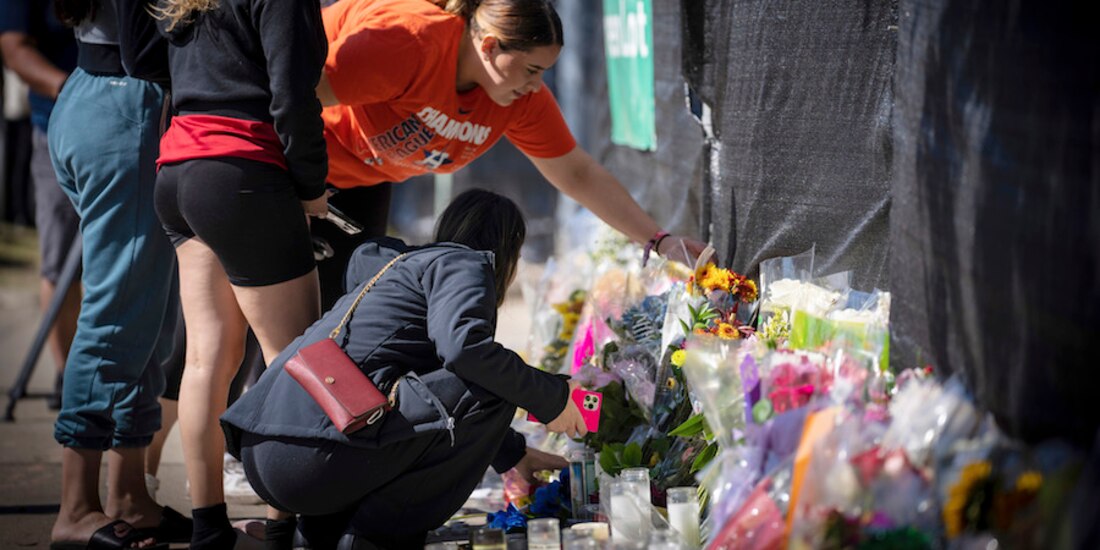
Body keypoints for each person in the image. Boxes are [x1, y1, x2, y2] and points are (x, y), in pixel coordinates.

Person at [222, 189, 587, 549]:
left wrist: (513, 454)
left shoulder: (402, 270)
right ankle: (374, 539)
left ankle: (322, 536)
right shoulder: (464, 263)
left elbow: (440, 400)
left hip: (266, 451)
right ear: (509, 249)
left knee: (481, 380)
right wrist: (555, 398)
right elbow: (467, 354)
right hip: (314, 459)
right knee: (493, 384)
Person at [310, 0, 707, 310]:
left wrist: (659, 241)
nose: (537, 86)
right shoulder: (408, 42)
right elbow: (292, 98)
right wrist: (293, 187)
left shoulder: (517, 98)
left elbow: (576, 173)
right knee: (276, 328)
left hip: (361, 181)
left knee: (337, 321)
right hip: (291, 160)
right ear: (488, 46)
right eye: (532, 69)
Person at [152, 0, 329, 546]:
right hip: (241, 170)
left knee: (207, 358)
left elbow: (146, 59)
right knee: (295, 358)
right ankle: (286, 525)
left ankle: (209, 528)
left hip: (178, 170)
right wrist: (312, 187)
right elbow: (293, 98)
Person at [46, 0, 190, 548]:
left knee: (147, 316)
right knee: (117, 318)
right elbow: (144, 46)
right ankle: (75, 510)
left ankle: (129, 495)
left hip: (98, 97)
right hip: (127, 106)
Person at [0, 0, 81, 410]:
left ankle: (106, 372)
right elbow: (13, 47)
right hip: (55, 129)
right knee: (60, 261)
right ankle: (68, 373)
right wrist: (73, 91)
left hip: (129, 126)